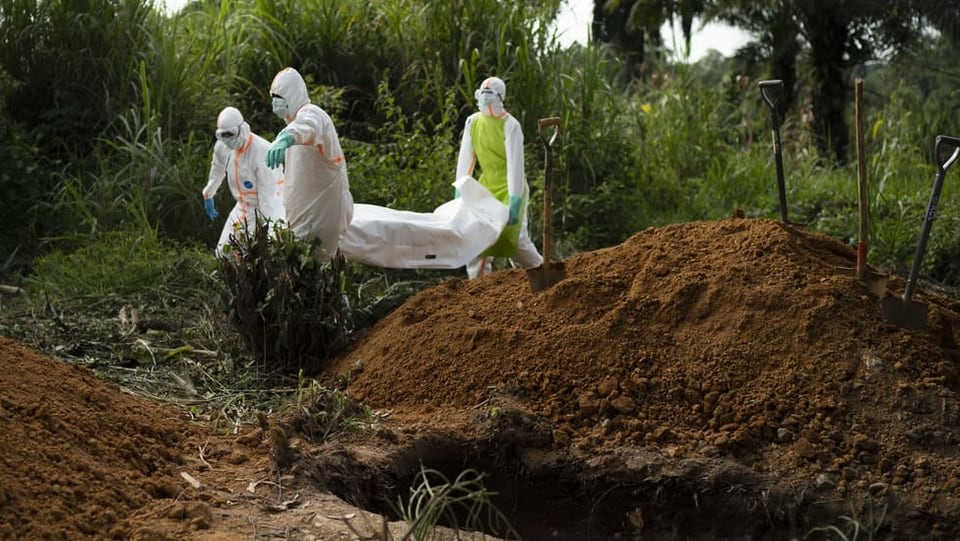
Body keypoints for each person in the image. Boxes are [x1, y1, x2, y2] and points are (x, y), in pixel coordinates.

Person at [455, 76, 542, 278]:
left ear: (500, 96)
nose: (486, 98)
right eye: (483, 93)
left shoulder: (511, 125)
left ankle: (542, 272)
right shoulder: (472, 122)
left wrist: (514, 202)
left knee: (516, 239)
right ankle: (479, 288)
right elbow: (466, 159)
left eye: (490, 93)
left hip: (513, 188)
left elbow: (515, 166)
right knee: (479, 239)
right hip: (486, 189)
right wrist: (460, 189)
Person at [265, 67, 354, 259]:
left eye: (279, 97)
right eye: (273, 97)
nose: (275, 103)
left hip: (321, 215)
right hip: (304, 218)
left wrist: (285, 139)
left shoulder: (312, 114)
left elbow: (307, 126)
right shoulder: (292, 124)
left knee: (317, 265)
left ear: (292, 96)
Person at [202, 106, 285, 257]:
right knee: (223, 253)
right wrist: (209, 193)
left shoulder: (261, 152)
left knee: (252, 255)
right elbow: (217, 169)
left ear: (242, 128)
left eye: (231, 135)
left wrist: (267, 226)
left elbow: (269, 193)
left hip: (265, 207)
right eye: (223, 136)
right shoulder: (223, 146)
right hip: (242, 206)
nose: (229, 140)